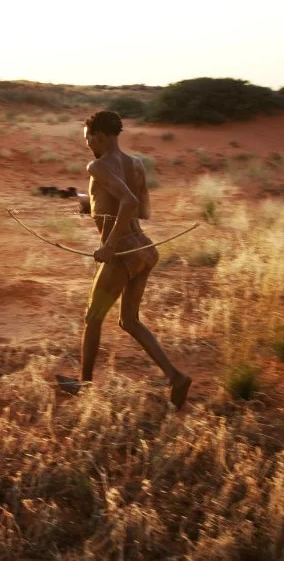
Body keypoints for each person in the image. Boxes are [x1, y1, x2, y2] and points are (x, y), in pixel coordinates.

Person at [57, 110, 191, 409]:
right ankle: (176, 377)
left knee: (93, 318)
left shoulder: (98, 166)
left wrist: (109, 246)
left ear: (99, 135)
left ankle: (85, 385)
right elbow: (141, 212)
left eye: (88, 138)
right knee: (129, 320)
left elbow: (129, 202)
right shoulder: (136, 164)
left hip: (121, 254)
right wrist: (90, 204)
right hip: (144, 249)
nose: (87, 144)